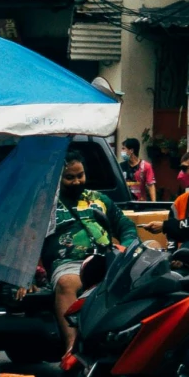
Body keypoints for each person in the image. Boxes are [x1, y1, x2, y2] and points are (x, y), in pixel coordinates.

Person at [41, 151, 138, 365]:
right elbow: (27, 241)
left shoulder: (100, 200)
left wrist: (128, 246)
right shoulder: (46, 205)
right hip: (69, 264)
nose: (77, 181)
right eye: (70, 177)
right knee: (67, 284)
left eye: (80, 175)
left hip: (107, 259)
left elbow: (126, 226)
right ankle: (72, 348)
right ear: (58, 177)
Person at [119, 137, 156, 201]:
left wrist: (153, 203)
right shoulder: (121, 166)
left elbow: (151, 186)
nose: (122, 151)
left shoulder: (146, 166)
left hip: (140, 203)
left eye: (124, 149)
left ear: (131, 150)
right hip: (125, 203)